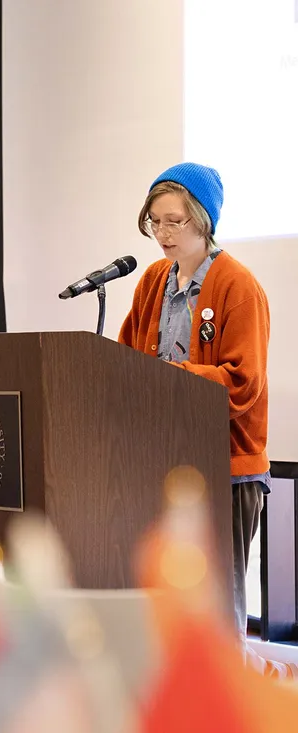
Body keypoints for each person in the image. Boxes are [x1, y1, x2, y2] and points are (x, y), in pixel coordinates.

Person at [118, 163, 270, 637]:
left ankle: (228, 704)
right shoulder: (152, 282)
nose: (161, 233)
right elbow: (124, 359)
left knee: (218, 607)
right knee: (166, 604)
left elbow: (244, 383)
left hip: (226, 466)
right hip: (161, 462)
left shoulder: (237, 286)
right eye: (154, 221)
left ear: (203, 221)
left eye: (173, 221)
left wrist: (170, 376)